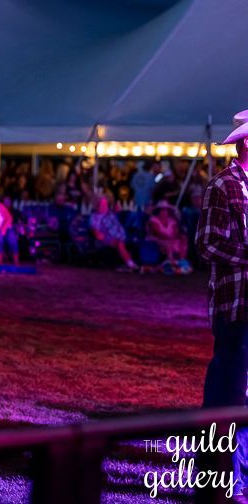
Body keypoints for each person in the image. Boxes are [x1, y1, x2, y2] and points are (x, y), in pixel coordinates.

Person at [197, 110, 248, 499]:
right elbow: (209, 244)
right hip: (236, 307)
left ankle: (235, 480)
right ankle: (218, 481)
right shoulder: (224, 186)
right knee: (229, 395)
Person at [88, 195, 138, 271]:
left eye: (105, 204)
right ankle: (131, 264)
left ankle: (134, 263)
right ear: (98, 205)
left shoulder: (110, 214)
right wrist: (99, 235)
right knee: (119, 244)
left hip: (121, 235)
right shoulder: (95, 217)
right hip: (107, 239)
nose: (104, 206)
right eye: (102, 204)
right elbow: (96, 232)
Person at [147, 201, 192, 274]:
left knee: (184, 239)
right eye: (162, 209)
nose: (164, 211)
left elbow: (175, 232)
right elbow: (157, 233)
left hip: (171, 240)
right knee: (166, 244)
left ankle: (181, 261)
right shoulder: (153, 220)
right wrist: (170, 239)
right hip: (156, 240)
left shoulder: (172, 220)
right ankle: (171, 263)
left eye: (165, 209)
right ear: (158, 211)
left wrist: (174, 238)